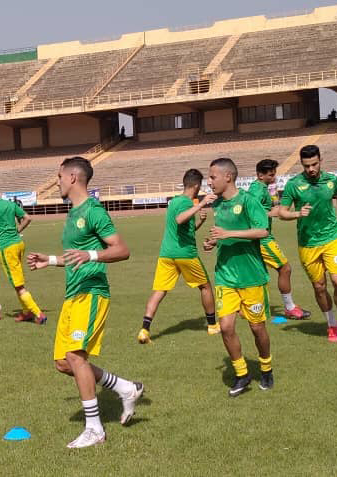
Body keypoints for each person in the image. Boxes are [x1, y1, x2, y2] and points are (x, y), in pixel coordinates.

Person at [27, 156, 143, 449]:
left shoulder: (93, 211)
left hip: (92, 293)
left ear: (73, 178)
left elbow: (122, 249)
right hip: (72, 293)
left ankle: (95, 429)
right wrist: (50, 260)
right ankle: (126, 388)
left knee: (77, 358)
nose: (57, 181)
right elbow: (76, 255)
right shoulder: (72, 214)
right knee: (63, 363)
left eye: (59, 176)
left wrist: (92, 256)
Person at [202, 158, 274, 397]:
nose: (209, 181)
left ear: (228, 177)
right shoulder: (217, 205)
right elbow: (223, 236)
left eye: (212, 177)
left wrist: (227, 233)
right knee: (226, 327)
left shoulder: (247, 200)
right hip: (225, 275)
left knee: (257, 328)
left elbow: (263, 230)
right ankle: (242, 373)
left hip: (251, 276)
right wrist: (213, 241)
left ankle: (266, 367)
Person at [278, 145, 337, 344]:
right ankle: (332, 324)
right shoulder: (293, 184)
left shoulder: (332, 180)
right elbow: (281, 211)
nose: (311, 169)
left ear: (320, 160)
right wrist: (297, 214)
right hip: (308, 243)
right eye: (306, 166)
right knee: (319, 286)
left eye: (314, 164)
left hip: (332, 238)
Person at [138, 168, 217, 344]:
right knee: (205, 287)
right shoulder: (187, 202)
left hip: (166, 254)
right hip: (185, 254)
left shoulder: (174, 201)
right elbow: (180, 220)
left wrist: (200, 221)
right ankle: (212, 326)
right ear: (196, 185)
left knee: (159, 291)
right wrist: (201, 204)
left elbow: (184, 230)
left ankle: (144, 329)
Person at [246, 160, 310, 320]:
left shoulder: (259, 188)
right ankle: (289, 308)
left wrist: (275, 206)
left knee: (258, 273)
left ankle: (247, 306)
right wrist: (275, 212)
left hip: (260, 236)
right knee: (285, 269)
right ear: (260, 175)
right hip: (263, 239)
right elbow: (252, 211)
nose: (274, 176)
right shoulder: (257, 190)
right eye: (271, 174)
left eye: (274, 173)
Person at [0, 181, 46, 324]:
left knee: (19, 286)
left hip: (7, 248)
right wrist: (17, 231)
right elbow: (27, 218)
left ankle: (38, 314)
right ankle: (26, 312)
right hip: (19, 244)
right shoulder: (9, 204)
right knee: (17, 282)